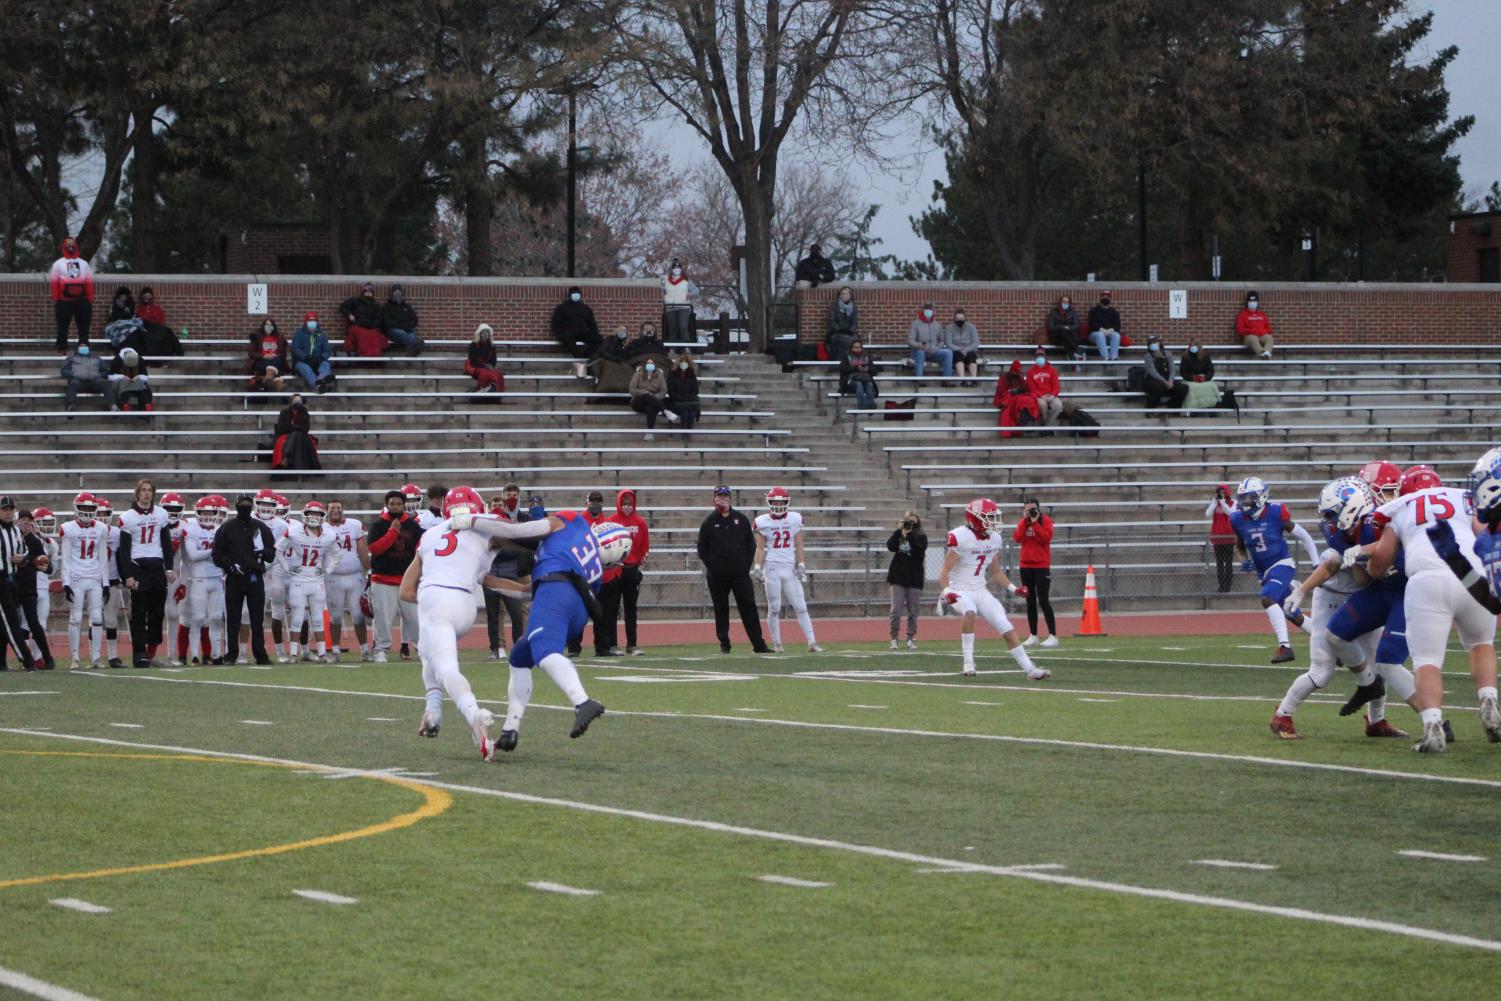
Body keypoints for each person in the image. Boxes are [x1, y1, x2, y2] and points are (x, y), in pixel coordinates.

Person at [1367, 464, 1499, 752]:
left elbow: (1380, 560)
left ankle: (1433, 726)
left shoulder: (1401, 506)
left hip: (1427, 579)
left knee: (1427, 660)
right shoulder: (1463, 497)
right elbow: (1484, 534)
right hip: (1471, 572)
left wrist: (1370, 566)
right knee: (1481, 643)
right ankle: (1488, 699)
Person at [1271, 477, 1409, 741]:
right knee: (1321, 672)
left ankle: (1376, 722)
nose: (1330, 521)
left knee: (1381, 664)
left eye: (1333, 514)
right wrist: (1302, 591)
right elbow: (1331, 565)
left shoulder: (1378, 525)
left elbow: (1366, 577)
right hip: (1333, 599)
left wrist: (1365, 558)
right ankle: (1283, 715)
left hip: (1365, 599)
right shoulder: (1343, 533)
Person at [493, 503, 619, 754]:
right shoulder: (589, 563)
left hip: (556, 590)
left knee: (544, 651)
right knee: (519, 657)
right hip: (574, 606)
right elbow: (525, 591)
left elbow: (526, 531)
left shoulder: (573, 522)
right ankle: (510, 728)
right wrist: (483, 580)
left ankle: (583, 702)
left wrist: (476, 524)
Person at [937, 498, 1051, 681]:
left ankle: (1030, 669)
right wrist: (947, 591)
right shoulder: (961, 537)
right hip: (960, 589)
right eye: (989, 517)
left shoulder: (994, 539)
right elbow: (944, 572)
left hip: (980, 590)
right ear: (975, 518)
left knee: (1004, 625)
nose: (994, 522)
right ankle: (968, 662)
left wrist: (1014, 589)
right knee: (970, 610)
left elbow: (996, 572)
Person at [1229, 476, 1320, 663]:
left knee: (1267, 597)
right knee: (1291, 613)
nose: (1245, 502)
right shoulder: (1237, 519)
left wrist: (1316, 563)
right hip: (1264, 573)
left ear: (1261, 497)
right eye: (1243, 498)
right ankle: (1330, 645)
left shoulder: (1276, 513)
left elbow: (1304, 536)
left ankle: (1285, 647)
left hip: (1282, 565)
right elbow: (1239, 545)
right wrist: (1243, 560)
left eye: (1249, 497)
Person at [697, 485, 772, 654]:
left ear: (730, 498)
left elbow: (750, 545)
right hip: (717, 576)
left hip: (740, 574)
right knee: (721, 609)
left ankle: (758, 644)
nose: (722, 499)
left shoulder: (741, 519)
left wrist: (744, 566)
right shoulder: (709, 522)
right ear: (714, 498)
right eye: (719, 496)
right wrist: (714, 566)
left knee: (749, 608)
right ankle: (724, 644)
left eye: (725, 496)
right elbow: (702, 549)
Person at [752, 487, 821, 654]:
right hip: (773, 568)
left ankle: (812, 642)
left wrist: (802, 563)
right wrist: (757, 567)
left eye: (780, 502)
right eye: (774, 502)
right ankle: (777, 644)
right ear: (769, 502)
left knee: (801, 606)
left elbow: (799, 544)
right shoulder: (762, 521)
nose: (777, 505)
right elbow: (760, 548)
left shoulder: (795, 518)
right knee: (774, 608)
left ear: (787, 502)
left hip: (790, 568)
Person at [211, 493, 276, 666]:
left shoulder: (261, 527)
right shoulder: (227, 528)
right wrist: (230, 565)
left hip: (255, 577)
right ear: (237, 506)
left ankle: (260, 654)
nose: (245, 507)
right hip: (234, 577)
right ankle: (231, 654)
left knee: (257, 618)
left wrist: (262, 553)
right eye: (242, 504)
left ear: (252, 506)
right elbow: (217, 554)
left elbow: (271, 553)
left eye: (248, 504)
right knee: (232, 618)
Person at [116, 479, 174, 667]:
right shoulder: (128, 517)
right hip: (138, 568)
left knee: (157, 613)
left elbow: (166, 544)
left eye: (150, 490)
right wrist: (128, 575)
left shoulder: (162, 514)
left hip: (157, 568)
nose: (147, 493)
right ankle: (139, 653)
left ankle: (152, 652)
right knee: (139, 613)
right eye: (143, 490)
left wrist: (170, 568)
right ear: (137, 493)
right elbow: (124, 550)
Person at [279, 501, 341, 663]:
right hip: (298, 579)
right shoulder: (294, 531)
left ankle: (321, 654)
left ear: (322, 516)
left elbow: (337, 555)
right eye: (311, 514)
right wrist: (287, 568)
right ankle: (293, 654)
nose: (314, 517)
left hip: (316, 580)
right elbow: (278, 549)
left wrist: (327, 570)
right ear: (304, 515)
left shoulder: (329, 534)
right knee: (298, 617)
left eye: (317, 514)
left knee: (318, 617)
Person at [366, 489, 423, 663]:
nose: (396, 507)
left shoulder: (413, 526)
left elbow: (420, 550)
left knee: (415, 618)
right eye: (392, 504)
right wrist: (393, 532)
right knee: (383, 618)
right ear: (387, 505)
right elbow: (374, 549)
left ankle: (423, 648)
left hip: (407, 580)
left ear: (404, 505)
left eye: (399, 503)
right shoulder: (378, 525)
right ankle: (380, 649)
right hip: (383, 579)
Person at [59, 492, 109, 668]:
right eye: (84, 508)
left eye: (90, 508)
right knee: (76, 618)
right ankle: (75, 657)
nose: (87, 511)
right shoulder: (68, 528)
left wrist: (106, 583)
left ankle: (95, 657)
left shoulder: (102, 529)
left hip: (94, 577)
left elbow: (103, 558)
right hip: (76, 578)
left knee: (96, 617)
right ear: (76, 508)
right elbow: (65, 558)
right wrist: (65, 582)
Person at [482, 486, 532, 660]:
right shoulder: (485, 526)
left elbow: (517, 551)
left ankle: (519, 645)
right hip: (490, 575)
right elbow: (482, 551)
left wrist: (498, 547)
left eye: (500, 504)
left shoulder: (508, 525)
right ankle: (496, 648)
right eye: (495, 503)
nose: (498, 506)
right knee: (493, 614)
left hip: (510, 574)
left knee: (516, 613)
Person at [182, 495, 228, 665]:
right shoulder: (191, 528)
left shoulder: (221, 530)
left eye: (211, 512)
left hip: (216, 578)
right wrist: (214, 552)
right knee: (198, 617)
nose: (208, 515)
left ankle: (216, 655)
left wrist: (215, 553)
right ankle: (194, 655)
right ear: (197, 512)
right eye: (204, 512)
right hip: (198, 578)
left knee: (216, 618)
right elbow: (193, 555)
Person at [322, 499, 369, 661]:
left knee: (358, 615)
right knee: (335, 616)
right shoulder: (322, 528)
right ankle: (335, 651)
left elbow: (363, 551)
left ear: (343, 510)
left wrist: (369, 571)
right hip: (333, 577)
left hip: (355, 575)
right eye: (332, 507)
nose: (336, 510)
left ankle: (365, 650)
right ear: (327, 511)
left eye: (339, 507)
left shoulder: (354, 525)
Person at [0, 497, 41, 672]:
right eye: (5, 509)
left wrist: (22, 558)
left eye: (11, 509)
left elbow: (24, 551)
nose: (8, 512)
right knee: (11, 623)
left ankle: (1, 663)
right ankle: (27, 660)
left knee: (4, 625)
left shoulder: (16, 531)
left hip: (11, 580)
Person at [579, 491, 622, 656]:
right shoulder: (580, 522)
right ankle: (574, 648)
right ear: (587, 503)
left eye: (598, 501)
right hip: (586, 575)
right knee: (580, 613)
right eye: (592, 501)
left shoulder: (608, 523)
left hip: (605, 575)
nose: (595, 504)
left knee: (603, 614)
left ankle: (603, 647)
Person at [607, 490, 650, 655]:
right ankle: (612, 645)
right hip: (616, 570)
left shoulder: (640, 523)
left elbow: (645, 545)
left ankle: (632, 644)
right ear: (618, 504)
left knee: (631, 609)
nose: (627, 507)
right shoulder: (611, 522)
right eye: (624, 504)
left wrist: (640, 560)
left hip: (632, 570)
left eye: (630, 504)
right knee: (612, 608)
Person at [11, 508, 54, 669]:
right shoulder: (11, 538)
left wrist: (43, 566)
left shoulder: (35, 541)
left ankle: (47, 658)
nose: (26, 524)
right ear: (17, 521)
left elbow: (47, 566)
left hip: (28, 587)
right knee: (10, 624)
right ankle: (22, 659)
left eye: (29, 521)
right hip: (11, 587)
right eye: (23, 521)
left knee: (34, 625)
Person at [1013, 498, 1058, 647]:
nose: (1030, 512)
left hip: (1041, 565)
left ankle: (1053, 635)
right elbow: (1018, 538)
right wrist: (1026, 522)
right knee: (1029, 601)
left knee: (1043, 600)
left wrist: (1035, 523)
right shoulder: (1023, 522)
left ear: (1039, 509)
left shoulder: (1046, 521)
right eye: (1028, 510)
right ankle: (1033, 635)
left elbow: (1045, 538)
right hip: (1026, 565)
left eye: (1033, 509)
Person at [886, 511, 927, 650]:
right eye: (908, 522)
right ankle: (894, 638)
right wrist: (898, 531)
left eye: (913, 523)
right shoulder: (900, 535)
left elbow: (918, 550)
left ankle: (910, 638)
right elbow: (891, 546)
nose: (911, 526)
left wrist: (909, 535)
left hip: (914, 578)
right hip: (898, 578)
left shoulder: (921, 537)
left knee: (913, 611)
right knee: (895, 611)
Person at [50, 236, 95, 353]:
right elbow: (54, 283)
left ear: (76, 246)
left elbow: (89, 283)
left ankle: (83, 345)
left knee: (84, 326)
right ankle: (62, 347)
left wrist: (89, 299)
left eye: (73, 243)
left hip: (82, 299)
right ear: (64, 247)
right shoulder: (58, 264)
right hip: (64, 300)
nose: (71, 245)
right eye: (68, 244)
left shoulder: (84, 263)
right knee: (62, 326)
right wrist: (56, 299)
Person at [98, 497, 126, 668]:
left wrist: (123, 577)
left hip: (113, 579)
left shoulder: (116, 533)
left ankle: (113, 656)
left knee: (111, 620)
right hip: (94, 580)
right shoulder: (90, 530)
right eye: (98, 513)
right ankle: (95, 657)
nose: (101, 517)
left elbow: (121, 557)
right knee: (95, 619)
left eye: (105, 513)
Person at [550, 285, 602, 362]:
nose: (576, 295)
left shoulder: (585, 308)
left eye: (577, 293)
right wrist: (560, 333)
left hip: (583, 332)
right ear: (570, 295)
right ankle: (579, 354)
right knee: (566, 338)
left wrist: (594, 333)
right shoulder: (562, 308)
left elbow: (592, 324)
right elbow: (556, 323)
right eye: (574, 293)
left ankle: (586, 353)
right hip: (569, 333)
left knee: (598, 339)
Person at [339, 281, 389, 358]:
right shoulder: (355, 301)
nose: (368, 293)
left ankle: (374, 358)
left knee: (374, 337)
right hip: (358, 325)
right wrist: (349, 314)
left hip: (371, 327)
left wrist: (373, 325)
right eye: (366, 291)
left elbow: (378, 318)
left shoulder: (376, 305)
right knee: (363, 337)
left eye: (370, 291)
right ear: (363, 292)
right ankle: (364, 357)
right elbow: (343, 307)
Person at [629, 358, 675, 440]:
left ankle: (650, 433)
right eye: (648, 363)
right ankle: (665, 411)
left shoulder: (659, 375)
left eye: (652, 363)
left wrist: (654, 397)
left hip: (654, 401)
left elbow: (663, 390)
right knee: (646, 395)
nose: (650, 364)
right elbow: (632, 389)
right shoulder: (638, 373)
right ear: (645, 364)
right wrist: (644, 392)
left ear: (654, 365)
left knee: (651, 407)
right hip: (639, 401)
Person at [272, 393, 320, 471]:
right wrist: (296, 428)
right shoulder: (285, 411)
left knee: (297, 435)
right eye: (295, 400)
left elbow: (306, 429)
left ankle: (287, 456)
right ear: (291, 402)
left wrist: (293, 427)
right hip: (286, 435)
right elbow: (281, 428)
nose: (297, 402)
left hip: (301, 436)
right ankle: (290, 459)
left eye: (299, 401)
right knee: (294, 435)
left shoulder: (304, 412)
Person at [993, 359, 1040, 438]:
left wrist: (1019, 391)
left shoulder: (1020, 378)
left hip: (1019, 397)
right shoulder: (1004, 378)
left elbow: (1025, 388)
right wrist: (1011, 392)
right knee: (1022, 401)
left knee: (1030, 399)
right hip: (1010, 398)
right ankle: (1025, 422)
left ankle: (1027, 421)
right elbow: (1001, 392)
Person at [291, 312, 335, 393]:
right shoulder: (299, 334)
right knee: (306, 369)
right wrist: (306, 357)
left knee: (325, 364)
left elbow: (327, 351)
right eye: (310, 320)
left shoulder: (321, 335)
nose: (312, 322)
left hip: (317, 361)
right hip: (302, 362)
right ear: (306, 321)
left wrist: (320, 357)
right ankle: (317, 385)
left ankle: (323, 378)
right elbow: (295, 349)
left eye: (314, 320)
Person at [907, 302, 952, 379]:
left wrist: (937, 348)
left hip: (934, 352)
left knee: (948, 352)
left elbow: (942, 340)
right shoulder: (916, 324)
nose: (928, 310)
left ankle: (946, 380)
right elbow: (910, 340)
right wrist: (919, 345)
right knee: (920, 353)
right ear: (923, 310)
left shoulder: (937, 324)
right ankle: (919, 380)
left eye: (930, 309)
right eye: (926, 308)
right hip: (920, 352)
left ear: (934, 311)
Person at [61, 343, 110, 412]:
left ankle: (113, 406)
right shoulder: (71, 358)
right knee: (72, 384)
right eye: (81, 346)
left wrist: (99, 375)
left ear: (88, 348)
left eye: (85, 346)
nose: (83, 347)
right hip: (78, 381)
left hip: (95, 381)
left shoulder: (96, 358)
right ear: (78, 348)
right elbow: (64, 371)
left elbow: (105, 371)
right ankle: (71, 407)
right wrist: (73, 374)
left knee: (106, 383)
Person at [1206, 484, 1236, 593]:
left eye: (1223, 492)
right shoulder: (1215, 504)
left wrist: (1223, 502)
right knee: (1219, 563)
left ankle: (1228, 586)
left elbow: (1231, 514)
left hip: (1228, 538)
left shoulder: (1233, 503)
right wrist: (1214, 502)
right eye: (1219, 492)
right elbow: (1207, 514)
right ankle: (1221, 585)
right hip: (1217, 538)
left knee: (1228, 562)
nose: (1221, 494)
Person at [661, 257, 699, 345]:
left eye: (678, 268)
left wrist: (689, 295)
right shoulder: (666, 280)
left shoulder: (686, 280)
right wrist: (663, 295)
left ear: (681, 269)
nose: (676, 270)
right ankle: (672, 348)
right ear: (672, 269)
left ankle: (686, 347)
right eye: (674, 268)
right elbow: (661, 289)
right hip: (670, 307)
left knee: (683, 326)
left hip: (684, 307)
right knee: (672, 328)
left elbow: (696, 290)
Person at [1141, 335, 1185, 409]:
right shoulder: (1148, 356)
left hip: (1168, 380)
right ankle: (1151, 409)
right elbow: (1153, 372)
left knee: (1183, 388)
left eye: (1154, 342)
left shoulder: (1168, 354)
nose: (1152, 344)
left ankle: (1171, 407)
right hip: (1153, 380)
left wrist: (1170, 381)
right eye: (1150, 343)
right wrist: (1165, 382)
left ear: (1159, 343)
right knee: (1157, 386)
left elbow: (1172, 369)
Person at [1178, 336, 1222, 409]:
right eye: (1191, 345)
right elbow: (1183, 372)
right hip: (1190, 379)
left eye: (1195, 345)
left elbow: (1211, 370)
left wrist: (1205, 378)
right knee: (1192, 388)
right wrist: (1193, 378)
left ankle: (1212, 406)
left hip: (1204, 378)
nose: (1193, 347)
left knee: (1211, 386)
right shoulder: (1185, 356)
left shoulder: (1206, 356)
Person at [379, 284, 422, 355]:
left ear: (402, 293)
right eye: (395, 291)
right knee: (402, 333)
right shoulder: (387, 307)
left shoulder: (407, 307)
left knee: (411, 333)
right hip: (393, 331)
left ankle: (411, 352)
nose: (397, 293)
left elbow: (414, 320)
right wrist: (404, 327)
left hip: (408, 329)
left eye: (399, 291)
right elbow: (387, 323)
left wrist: (408, 326)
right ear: (392, 293)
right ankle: (415, 346)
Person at [247, 319, 289, 392]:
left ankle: (269, 378)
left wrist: (275, 355)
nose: (269, 326)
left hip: (276, 361)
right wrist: (264, 356)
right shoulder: (257, 337)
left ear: (274, 327)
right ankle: (278, 383)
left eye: (271, 325)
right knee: (275, 365)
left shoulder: (279, 338)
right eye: (267, 324)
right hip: (262, 362)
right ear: (263, 326)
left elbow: (284, 354)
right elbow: (251, 353)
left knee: (277, 360)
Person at [106, 347, 153, 412]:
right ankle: (124, 404)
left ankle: (146, 405)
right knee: (123, 385)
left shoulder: (140, 359)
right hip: (122, 382)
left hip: (137, 381)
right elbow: (110, 376)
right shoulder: (116, 360)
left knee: (142, 386)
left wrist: (138, 377)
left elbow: (146, 377)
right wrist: (122, 376)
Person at [1024, 350, 1063, 426]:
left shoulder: (1052, 370)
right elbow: (1031, 387)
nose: (1039, 358)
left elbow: (1056, 386)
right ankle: (1045, 426)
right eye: (1038, 356)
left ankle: (1047, 426)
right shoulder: (1030, 371)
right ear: (1035, 358)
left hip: (1050, 395)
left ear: (1045, 357)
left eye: (1041, 356)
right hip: (1039, 396)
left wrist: (1052, 395)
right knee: (1042, 405)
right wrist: (1041, 396)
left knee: (1058, 406)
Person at [945, 308, 982, 385]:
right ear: (954, 319)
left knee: (972, 356)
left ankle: (974, 380)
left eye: (961, 319)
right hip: (956, 351)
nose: (959, 320)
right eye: (957, 319)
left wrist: (966, 350)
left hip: (969, 350)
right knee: (958, 356)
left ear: (965, 318)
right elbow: (949, 343)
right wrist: (960, 349)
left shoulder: (971, 327)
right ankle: (963, 379)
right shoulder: (949, 328)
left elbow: (975, 343)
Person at [465, 323, 505, 395]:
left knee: (498, 374)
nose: (485, 335)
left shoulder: (491, 346)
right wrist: (484, 366)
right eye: (483, 332)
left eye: (487, 333)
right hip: (474, 366)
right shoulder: (473, 345)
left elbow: (494, 361)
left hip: (487, 367)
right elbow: (473, 361)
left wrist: (490, 366)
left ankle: (497, 393)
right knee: (485, 373)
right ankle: (479, 391)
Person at [840, 339, 879, 412]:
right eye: (855, 347)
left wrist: (867, 369)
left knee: (869, 384)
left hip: (865, 378)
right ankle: (863, 407)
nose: (857, 349)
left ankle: (870, 405)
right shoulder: (846, 355)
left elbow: (874, 371)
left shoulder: (867, 356)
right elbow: (843, 369)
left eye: (859, 347)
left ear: (861, 348)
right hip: (850, 380)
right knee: (859, 384)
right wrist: (857, 368)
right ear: (851, 348)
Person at [666, 353, 701, 430]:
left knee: (691, 412)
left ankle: (688, 432)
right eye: (682, 362)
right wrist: (681, 398)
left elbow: (695, 391)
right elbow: (671, 391)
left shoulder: (692, 376)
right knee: (685, 411)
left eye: (686, 362)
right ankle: (684, 432)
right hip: (676, 402)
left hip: (689, 401)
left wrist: (688, 397)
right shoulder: (673, 375)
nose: (684, 364)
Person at [1236, 290, 1274, 359]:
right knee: (1252, 339)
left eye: (1254, 301)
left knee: (1269, 338)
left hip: (1261, 335)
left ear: (1257, 302)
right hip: (1249, 337)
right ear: (1247, 302)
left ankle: (1267, 352)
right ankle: (1261, 354)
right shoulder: (1243, 315)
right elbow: (1240, 330)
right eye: (1251, 301)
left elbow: (1268, 328)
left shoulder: (1262, 314)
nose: (1253, 303)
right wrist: (1252, 331)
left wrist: (1262, 332)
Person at [1086, 291, 1122, 360]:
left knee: (1116, 335)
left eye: (1107, 296)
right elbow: (1091, 324)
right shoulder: (1093, 310)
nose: (1105, 298)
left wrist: (1110, 330)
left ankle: (1113, 357)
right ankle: (1105, 357)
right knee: (1100, 335)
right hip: (1095, 335)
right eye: (1104, 296)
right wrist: (1101, 330)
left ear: (1110, 298)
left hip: (1109, 334)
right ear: (1100, 297)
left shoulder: (1114, 312)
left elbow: (1118, 325)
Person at [826, 286, 859, 359]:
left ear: (850, 296)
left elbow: (855, 322)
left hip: (850, 332)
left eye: (847, 294)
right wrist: (839, 329)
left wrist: (850, 331)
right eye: (843, 294)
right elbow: (832, 320)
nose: (845, 296)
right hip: (837, 332)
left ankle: (852, 359)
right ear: (840, 295)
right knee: (844, 339)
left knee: (855, 340)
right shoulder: (835, 305)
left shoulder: (853, 306)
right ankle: (843, 359)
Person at [1046, 295, 1082, 360]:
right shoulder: (1054, 312)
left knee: (1065, 340)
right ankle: (1076, 350)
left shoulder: (1072, 312)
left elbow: (1077, 325)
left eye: (1067, 302)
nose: (1065, 303)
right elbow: (1051, 327)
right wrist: (1061, 327)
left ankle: (1072, 356)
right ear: (1060, 302)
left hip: (1070, 335)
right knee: (1062, 331)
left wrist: (1068, 328)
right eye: (1064, 301)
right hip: (1057, 336)